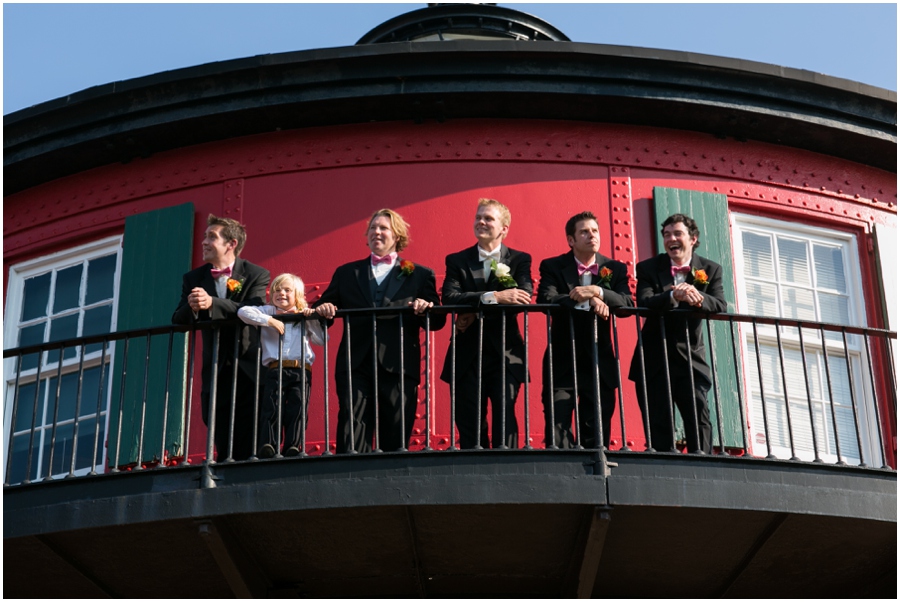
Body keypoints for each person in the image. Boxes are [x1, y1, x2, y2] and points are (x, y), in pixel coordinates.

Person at [313, 209, 446, 453]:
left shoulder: (419, 274)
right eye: (373, 228)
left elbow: (436, 321)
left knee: (396, 430)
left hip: (399, 363)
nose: (376, 232)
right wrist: (324, 309)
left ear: (397, 235)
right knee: (351, 429)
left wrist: (425, 308)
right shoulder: (346, 273)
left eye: (383, 228)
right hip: (355, 362)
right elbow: (320, 313)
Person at [172, 214, 269, 461]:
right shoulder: (192, 278)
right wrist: (193, 306)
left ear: (231, 243)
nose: (204, 242)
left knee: (253, 427)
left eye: (211, 237)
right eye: (205, 236)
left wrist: (212, 302)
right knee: (218, 424)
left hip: (249, 366)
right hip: (215, 368)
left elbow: (254, 308)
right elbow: (178, 320)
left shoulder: (256, 274)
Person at [628, 213, 727, 454]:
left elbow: (720, 305)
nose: (671, 238)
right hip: (654, 357)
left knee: (699, 417)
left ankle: (703, 465)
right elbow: (644, 302)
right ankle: (662, 464)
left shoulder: (710, 269)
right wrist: (673, 295)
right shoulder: (649, 268)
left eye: (677, 233)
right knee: (658, 420)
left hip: (691, 357)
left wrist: (696, 296)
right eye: (666, 234)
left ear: (693, 238)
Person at [440, 198, 533, 449]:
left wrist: (473, 311)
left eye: (488, 218)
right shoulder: (457, 260)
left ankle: (511, 470)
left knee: (506, 420)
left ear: (504, 228)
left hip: (505, 352)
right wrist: (494, 297)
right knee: (469, 422)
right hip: (466, 353)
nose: (481, 221)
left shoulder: (519, 260)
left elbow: (524, 295)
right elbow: (449, 298)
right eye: (478, 217)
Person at [537, 211, 634, 450]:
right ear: (571, 240)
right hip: (562, 358)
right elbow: (546, 299)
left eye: (595, 231)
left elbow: (626, 304)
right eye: (584, 231)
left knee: (597, 429)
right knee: (558, 427)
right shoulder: (552, 266)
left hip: (600, 360)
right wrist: (586, 302)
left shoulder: (614, 268)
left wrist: (598, 292)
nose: (592, 235)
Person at [238, 273, 326, 459]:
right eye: (277, 290)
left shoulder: (303, 314)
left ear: (298, 295)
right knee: (272, 406)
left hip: (301, 369)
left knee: (298, 408)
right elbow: (243, 312)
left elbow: (322, 339)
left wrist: (311, 319)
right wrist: (270, 321)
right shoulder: (268, 311)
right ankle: (269, 444)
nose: (282, 294)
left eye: (287, 290)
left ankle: (293, 446)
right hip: (275, 368)